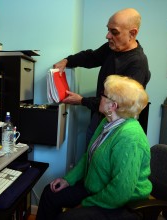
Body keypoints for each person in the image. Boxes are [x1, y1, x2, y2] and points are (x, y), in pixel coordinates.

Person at [36, 75, 152, 220]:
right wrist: (68, 179)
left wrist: (85, 204)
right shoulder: (106, 122)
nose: (99, 97)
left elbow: (120, 192)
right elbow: (89, 156)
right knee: (50, 194)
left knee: (66, 218)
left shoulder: (129, 137)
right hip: (96, 188)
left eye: (103, 95)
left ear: (113, 106)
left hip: (123, 203)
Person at [54, 8, 151, 146]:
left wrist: (82, 101)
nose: (108, 36)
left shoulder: (138, 64)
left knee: (101, 165)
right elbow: (91, 57)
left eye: (114, 32)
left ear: (132, 33)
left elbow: (120, 104)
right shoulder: (112, 47)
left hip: (115, 128)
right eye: (108, 30)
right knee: (90, 160)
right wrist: (67, 61)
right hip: (99, 119)